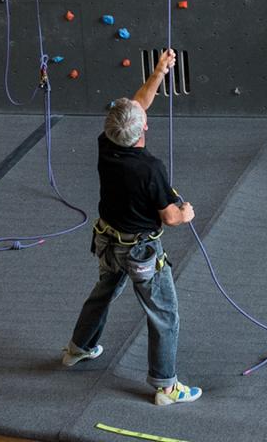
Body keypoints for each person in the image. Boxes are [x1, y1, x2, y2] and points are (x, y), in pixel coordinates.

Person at [62, 49, 203, 405]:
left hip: (108, 242)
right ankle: (166, 387)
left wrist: (159, 72)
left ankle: (79, 348)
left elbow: (138, 106)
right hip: (140, 251)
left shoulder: (106, 143)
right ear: (144, 130)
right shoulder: (150, 168)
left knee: (103, 293)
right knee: (165, 315)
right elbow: (170, 218)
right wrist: (185, 213)